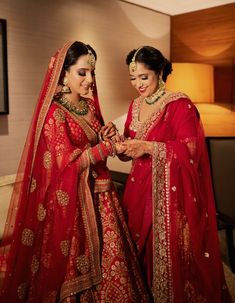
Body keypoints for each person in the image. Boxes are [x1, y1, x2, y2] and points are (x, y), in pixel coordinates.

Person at [0, 41, 150, 302]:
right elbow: (65, 164)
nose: (90, 79)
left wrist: (109, 135)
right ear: (64, 74)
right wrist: (104, 149)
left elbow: (99, 141)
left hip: (103, 200)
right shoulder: (54, 115)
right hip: (73, 206)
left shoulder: (90, 107)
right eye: (82, 72)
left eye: (92, 72)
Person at [114, 46, 233, 302]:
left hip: (170, 197)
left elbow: (190, 149)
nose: (138, 84)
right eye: (133, 78)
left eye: (143, 77)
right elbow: (130, 148)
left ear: (159, 72)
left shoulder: (180, 104)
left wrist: (146, 147)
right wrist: (119, 145)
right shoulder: (134, 106)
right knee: (136, 252)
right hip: (138, 190)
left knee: (173, 259)